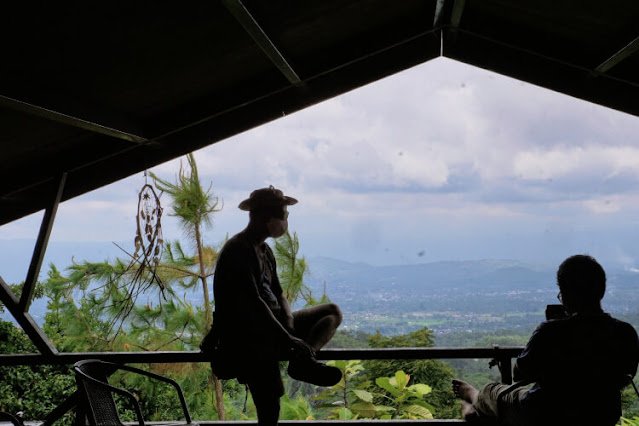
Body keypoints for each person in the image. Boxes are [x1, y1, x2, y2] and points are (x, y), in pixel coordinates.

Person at [202, 186, 343, 426]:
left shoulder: (265, 251)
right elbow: (254, 303)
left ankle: (303, 362)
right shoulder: (238, 250)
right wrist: (288, 339)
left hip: (274, 329)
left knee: (331, 313)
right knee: (269, 407)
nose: (286, 220)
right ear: (268, 217)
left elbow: (278, 292)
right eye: (284, 215)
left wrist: (288, 324)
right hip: (249, 339)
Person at [452, 254, 639, 426]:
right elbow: (626, 376)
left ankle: (473, 397)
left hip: (544, 413)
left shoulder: (551, 331)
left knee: (491, 391)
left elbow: (521, 373)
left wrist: (553, 329)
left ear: (566, 294)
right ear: (601, 290)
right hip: (601, 414)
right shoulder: (626, 333)